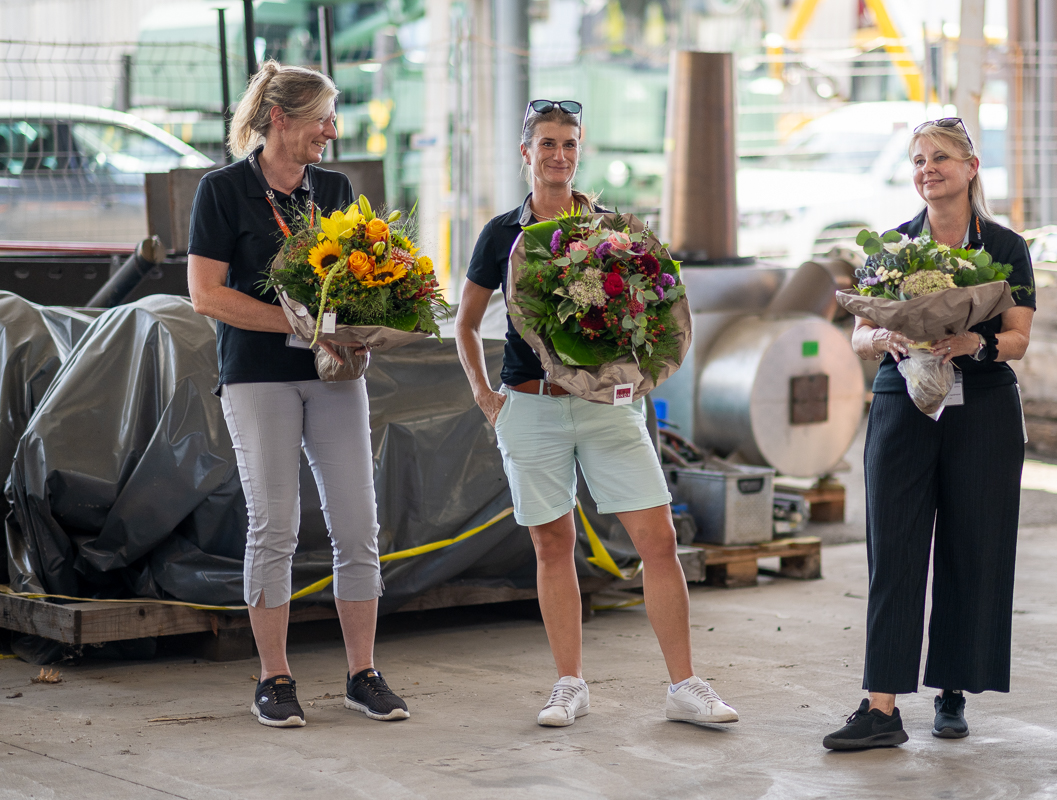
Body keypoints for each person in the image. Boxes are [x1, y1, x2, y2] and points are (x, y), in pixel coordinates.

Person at [455, 100, 738, 727]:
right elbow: (466, 322)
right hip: (530, 406)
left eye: (571, 144)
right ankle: (568, 684)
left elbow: (654, 313)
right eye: (548, 143)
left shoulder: (612, 231)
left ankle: (684, 686)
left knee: (658, 541)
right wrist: (484, 395)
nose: (560, 155)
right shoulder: (502, 232)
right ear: (525, 152)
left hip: (610, 409)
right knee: (553, 544)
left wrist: (639, 377)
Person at [187, 61, 408, 728]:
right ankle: (274, 678)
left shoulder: (336, 189)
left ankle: (362, 673)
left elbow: (361, 282)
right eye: (321, 120)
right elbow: (205, 295)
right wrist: (299, 322)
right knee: (275, 526)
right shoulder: (222, 191)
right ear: (279, 119)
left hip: (335, 376)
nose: (331, 132)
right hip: (257, 378)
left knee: (357, 526)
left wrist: (377, 313)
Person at [823, 118, 1036, 750]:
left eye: (940, 157)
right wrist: (885, 334)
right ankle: (881, 705)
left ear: (971, 167)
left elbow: (1020, 338)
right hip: (902, 405)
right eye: (918, 160)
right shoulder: (892, 247)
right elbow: (859, 331)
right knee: (895, 548)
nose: (926, 168)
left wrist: (977, 341)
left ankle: (953, 689)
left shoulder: (1004, 247)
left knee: (974, 546)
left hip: (984, 407)